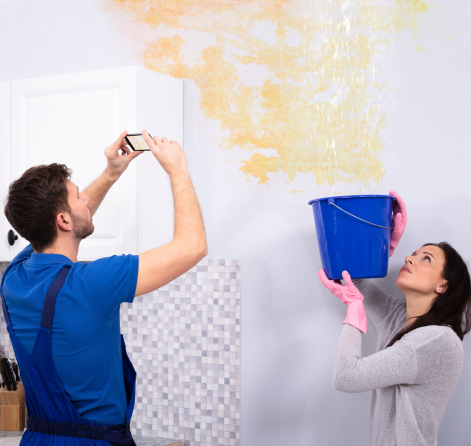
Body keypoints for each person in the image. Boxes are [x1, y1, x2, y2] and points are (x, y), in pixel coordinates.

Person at [1, 130, 207, 446]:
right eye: (77, 195)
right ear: (63, 221)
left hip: (37, 439)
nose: (85, 197)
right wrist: (177, 169)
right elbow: (192, 246)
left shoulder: (13, 277)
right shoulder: (93, 283)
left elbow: (64, 225)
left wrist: (111, 174)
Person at [318, 192, 471, 446]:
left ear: (443, 285)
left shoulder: (436, 340)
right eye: (413, 253)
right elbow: (351, 278)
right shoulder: (401, 319)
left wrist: (354, 312)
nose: (409, 258)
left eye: (426, 259)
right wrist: (378, 245)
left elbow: (346, 377)